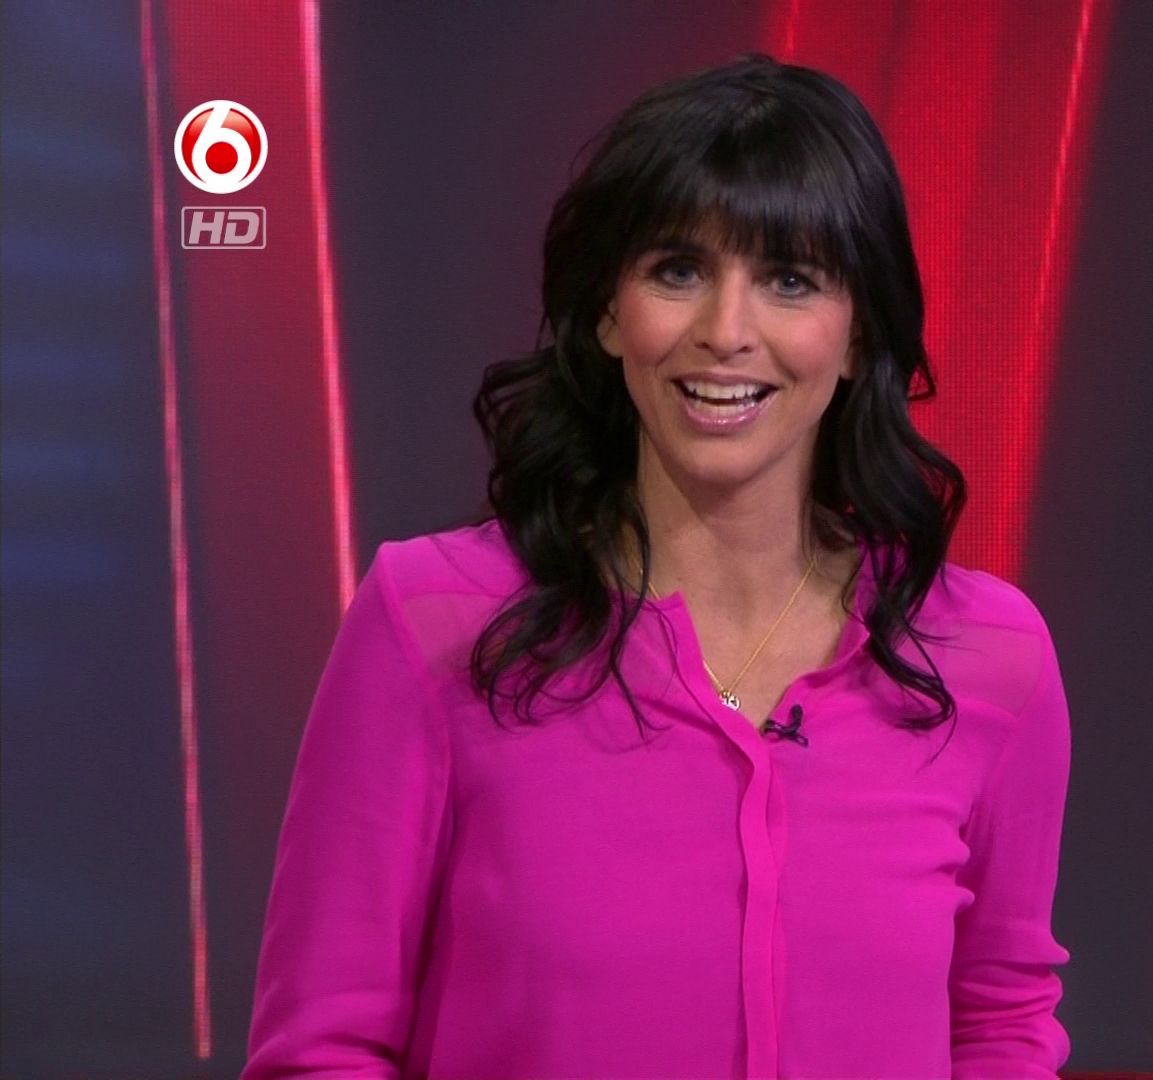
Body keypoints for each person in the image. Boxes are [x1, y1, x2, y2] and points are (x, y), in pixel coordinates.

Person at [241, 52, 1073, 1079]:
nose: (726, 332)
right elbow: (322, 1048)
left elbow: (999, 1023)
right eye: (678, 271)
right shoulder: (437, 621)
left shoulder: (982, 655)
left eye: (789, 280)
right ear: (607, 313)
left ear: (860, 334)